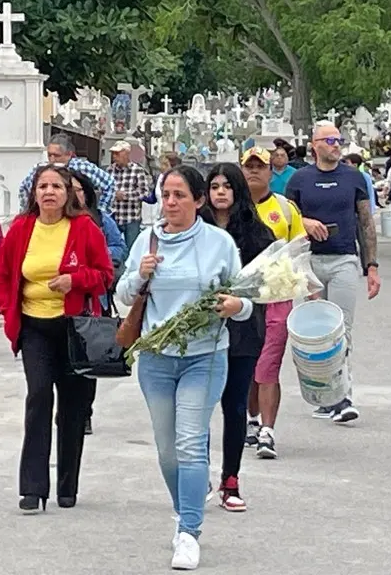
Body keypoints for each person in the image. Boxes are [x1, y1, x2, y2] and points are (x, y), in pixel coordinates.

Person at [116, 165, 251, 571]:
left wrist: (234, 306)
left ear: (198, 200)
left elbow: (244, 300)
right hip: (157, 356)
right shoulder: (148, 239)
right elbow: (123, 295)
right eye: (165, 195)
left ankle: (190, 532)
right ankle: (184, 509)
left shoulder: (219, 243)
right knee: (167, 446)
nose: (170, 203)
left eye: (179, 195)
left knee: (192, 441)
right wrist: (140, 276)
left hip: (204, 355)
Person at [0, 165, 113, 513]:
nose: (49, 192)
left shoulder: (84, 228)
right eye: (42, 186)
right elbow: (1, 273)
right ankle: (32, 488)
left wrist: (75, 280)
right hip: (34, 327)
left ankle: (67, 486)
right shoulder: (21, 229)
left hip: (74, 329)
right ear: (34, 193)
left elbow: (105, 276)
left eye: (56, 186)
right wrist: (5, 306)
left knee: (73, 408)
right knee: (39, 397)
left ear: (68, 194)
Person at [286, 122, 381, 424]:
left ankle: (343, 396)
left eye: (339, 140)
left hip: (344, 259)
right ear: (314, 145)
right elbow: (287, 219)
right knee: (315, 334)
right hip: (310, 261)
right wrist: (306, 222)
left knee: (341, 329)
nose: (336, 145)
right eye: (329, 140)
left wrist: (372, 265)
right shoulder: (299, 179)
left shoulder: (354, 178)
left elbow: (366, 222)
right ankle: (324, 397)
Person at [203, 163, 274, 513]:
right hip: (202, 329)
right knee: (197, 406)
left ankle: (230, 479)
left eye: (226, 186)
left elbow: (269, 280)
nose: (220, 192)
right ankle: (197, 473)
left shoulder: (257, 233)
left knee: (233, 407)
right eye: (214, 186)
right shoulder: (194, 230)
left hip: (243, 330)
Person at [240, 148, 305, 460]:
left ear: (271, 172)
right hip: (241, 298)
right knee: (247, 364)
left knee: (268, 364)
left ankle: (268, 429)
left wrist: (311, 291)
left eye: (260, 167)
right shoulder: (231, 208)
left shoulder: (285, 208)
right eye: (249, 166)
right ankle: (250, 419)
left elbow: (299, 252)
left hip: (277, 297)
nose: (254, 172)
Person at [69, 169, 126, 434]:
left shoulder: (101, 220)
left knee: (87, 356)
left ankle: (84, 412)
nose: (72, 194)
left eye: (77, 189)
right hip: (59, 301)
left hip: (92, 298)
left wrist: (97, 253)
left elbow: (119, 247)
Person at [17, 134, 115, 216]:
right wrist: (28, 212)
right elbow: (23, 188)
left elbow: (109, 183)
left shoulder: (82, 167)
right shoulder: (39, 169)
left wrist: (102, 211)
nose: (52, 159)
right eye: (49, 155)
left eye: (56, 155)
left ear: (69, 154)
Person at [107, 140, 150, 250]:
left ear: (126, 154)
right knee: (112, 248)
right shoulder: (110, 170)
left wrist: (125, 196)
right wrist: (113, 194)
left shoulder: (137, 171)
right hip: (114, 216)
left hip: (131, 217)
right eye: (113, 154)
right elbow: (104, 189)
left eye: (117, 153)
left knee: (133, 248)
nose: (114, 156)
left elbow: (144, 192)